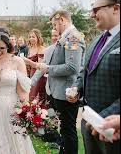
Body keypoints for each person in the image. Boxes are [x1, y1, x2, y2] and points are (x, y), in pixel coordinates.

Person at [68, 0, 120, 154]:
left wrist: (105, 117)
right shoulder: (97, 39)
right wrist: (77, 88)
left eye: (96, 10)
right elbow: (85, 71)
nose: (91, 15)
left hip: (112, 126)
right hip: (89, 122)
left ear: (116, 8)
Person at [37, 10, 86, 154]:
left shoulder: (73, 37)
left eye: (55, 24)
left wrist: (48, 68)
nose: (54, 28)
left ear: (62, 20)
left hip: (67, 92)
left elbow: (72, 67)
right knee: (63, 130)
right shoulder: (66, 36)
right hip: (58, 91)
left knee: (68, 131)